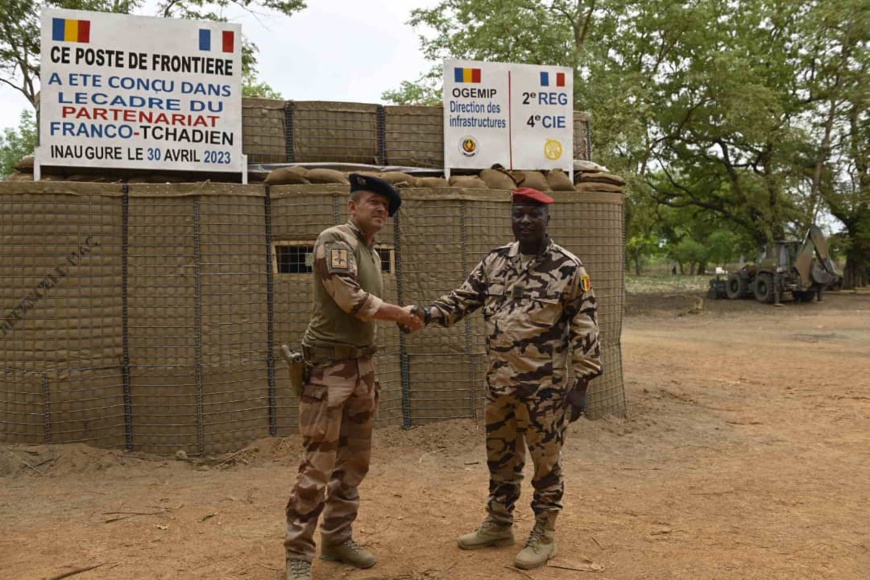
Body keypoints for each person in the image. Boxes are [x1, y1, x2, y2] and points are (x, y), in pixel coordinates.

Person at [410, 187, 602, 570]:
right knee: (500, 456)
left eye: (533, 214)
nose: (525, 220)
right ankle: (499, 521)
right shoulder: (495, 262)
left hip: (544, 391)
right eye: (518, 213)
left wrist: (580, 386)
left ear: (548, 219)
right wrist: (425, 314)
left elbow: (586, 327)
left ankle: (545, 531)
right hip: (499, 384)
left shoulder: (569, 268)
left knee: (546, 463)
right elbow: (462, 299)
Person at [284, 174, 423, 580]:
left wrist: (397, 315)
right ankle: (297, 554)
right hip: (329, 371)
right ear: (353, 206)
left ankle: (338, 539)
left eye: (387, 207)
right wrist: (399, 314)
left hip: (362, 368)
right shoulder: (335, 240)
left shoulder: (370, 251)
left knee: (353, 463)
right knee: (317, 466)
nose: (382, 210)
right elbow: (349, 299)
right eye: (374, 203)